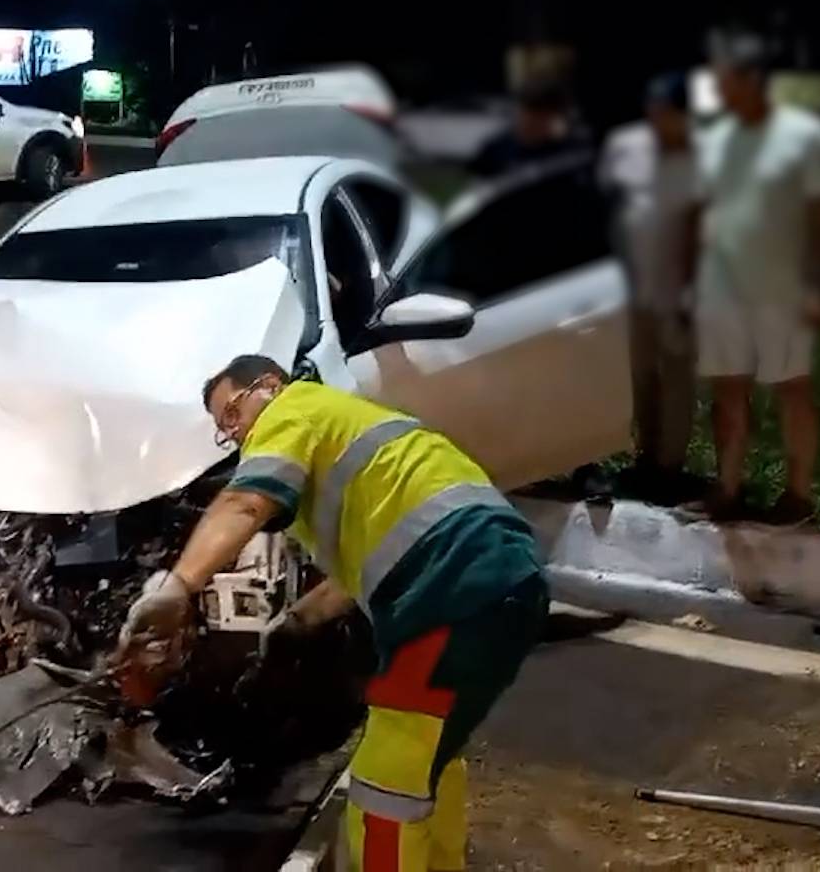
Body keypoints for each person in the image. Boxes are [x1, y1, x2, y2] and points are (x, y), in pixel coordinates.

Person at [117, 355, 547, 872]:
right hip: (495, 575)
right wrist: (299, 620)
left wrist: (176, 587)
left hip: (454, 580)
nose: (232, 433)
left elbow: (245, 503)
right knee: (428, 755)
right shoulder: (348, 426)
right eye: (221, 429)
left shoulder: (292, 410)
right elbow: (364, 563)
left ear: (269, 385)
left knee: (385, 786)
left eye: (232, 412)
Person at [691, 31, 820, 523]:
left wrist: (819, 285)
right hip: (722, 284)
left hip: (783, 286)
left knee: (791, 388)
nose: (718, 87)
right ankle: (729, 490)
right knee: (728, 391)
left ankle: (798, 496)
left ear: (753, 79)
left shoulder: (806, 138)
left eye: (725, 78)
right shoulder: (714, 139)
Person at [601, 72, 700, 504]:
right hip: (631, 285)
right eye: (654, 112)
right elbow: (608, 205)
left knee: (677, 376)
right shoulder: (625, 144)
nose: (659, 121)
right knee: (639, 375)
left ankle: (669, 468)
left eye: (669, 114)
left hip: (681, 288)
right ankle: (643, 457)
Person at [468, 75, 590, 178]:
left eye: (542, 117)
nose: (533, 122)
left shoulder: (573, 155)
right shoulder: (495, 150)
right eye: (529, 113)